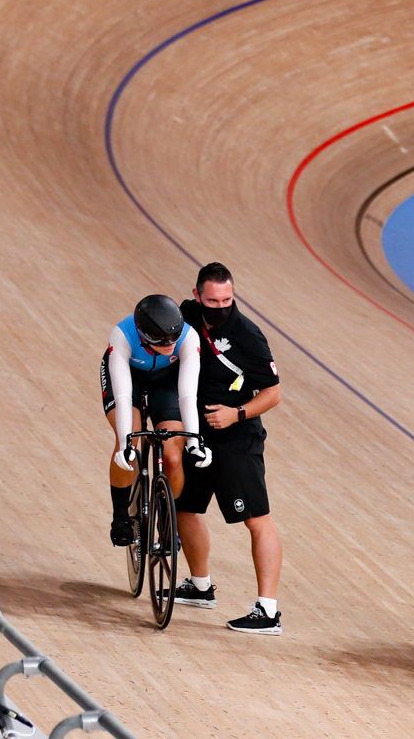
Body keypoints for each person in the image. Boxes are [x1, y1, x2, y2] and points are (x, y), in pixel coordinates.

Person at [174, 264, 284, 635]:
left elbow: (273, 393)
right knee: (186, 508)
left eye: (227, 300)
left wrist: (236, 414)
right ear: (196, 296)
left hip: (237, 436)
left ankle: (267, 610)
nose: (220, 306)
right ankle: (200, 587)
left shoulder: (247, 335)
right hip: (197, 431)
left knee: (256, 519)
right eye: (212, 300)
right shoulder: (186, 315)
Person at [104, 294, 203, 546]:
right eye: (161, 339)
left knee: (172, 453)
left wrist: (195, 442)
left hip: (166, 381)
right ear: (143, 336)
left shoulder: (189, 337)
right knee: (129, 439)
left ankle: (168, 520)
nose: (170, 344)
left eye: (174, 337)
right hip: (129, 378)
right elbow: (124, 397)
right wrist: (127, 443)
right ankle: (120, 516)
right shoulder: (122, 336)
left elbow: (188, 396)